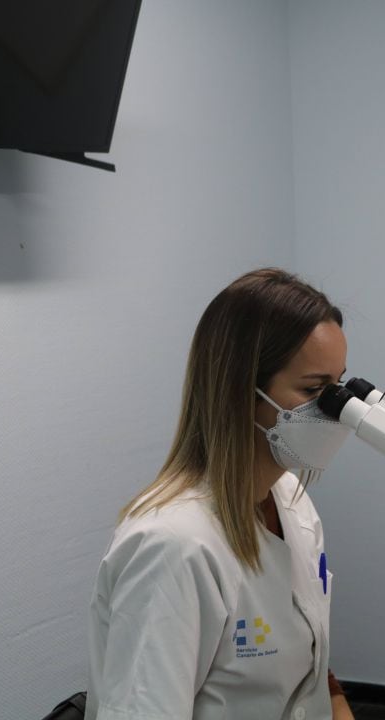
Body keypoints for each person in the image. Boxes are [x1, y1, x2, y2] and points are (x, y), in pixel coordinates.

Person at [88, 269, 355, 720]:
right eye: (314, 390)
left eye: (338, 386)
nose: (336, 409)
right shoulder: (171, 546)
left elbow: (312, 657)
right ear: (240, 391)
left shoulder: (290, 500)